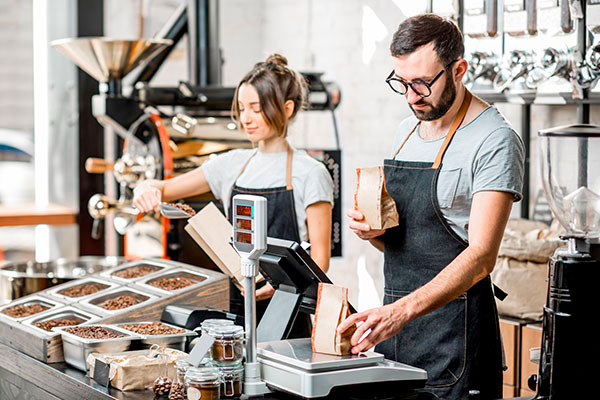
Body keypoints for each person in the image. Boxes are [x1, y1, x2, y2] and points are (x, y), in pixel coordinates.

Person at [337, 14, 525, 400]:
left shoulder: (494, 139)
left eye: (422, 83)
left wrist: (400, 312)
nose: (411, 96)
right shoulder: (405, 133)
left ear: (459, 70)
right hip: (398, 334)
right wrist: (376, 232)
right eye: (402, 83)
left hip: (455, 341)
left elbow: (481, 256)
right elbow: (407, 246)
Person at [133, 54, 334, 337]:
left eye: (256, 108)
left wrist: (279, 287)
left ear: (287, 109)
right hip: (232, 313)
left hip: (287, 316)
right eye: (241, 108)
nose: (245, 118)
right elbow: (162, 187)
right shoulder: (231, 165)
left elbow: (320, 263)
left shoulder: (310, 173)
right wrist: (145, 189)